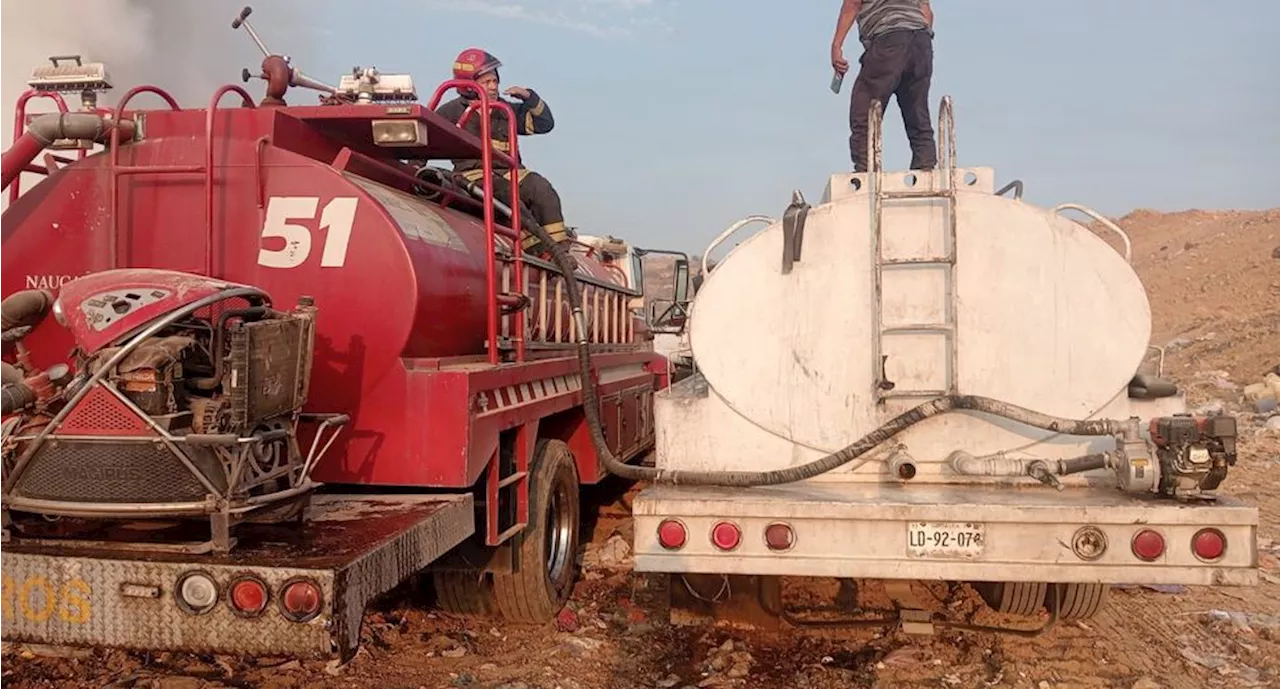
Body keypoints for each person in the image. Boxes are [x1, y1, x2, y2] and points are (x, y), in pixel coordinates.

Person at [435, 48, 572, 255]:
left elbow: (545, 124)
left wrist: (529, 97)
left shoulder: (506, 110)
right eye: (486, 82)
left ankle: (560, 251)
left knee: (541, 189)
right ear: (468, 86)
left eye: (495, 81)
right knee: (508, 197)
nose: (492, 87)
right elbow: (427, 139)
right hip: (475, 175)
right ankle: (536, 250)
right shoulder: (450, 112)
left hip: (510, 172)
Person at [830, 0, 937, 173]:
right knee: (917, 109)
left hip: (889, 38)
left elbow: (853, 3)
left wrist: (836, 46)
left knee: (865, 108)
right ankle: (926, 165)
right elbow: (926, 12)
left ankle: (865, 170)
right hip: (922, 42)